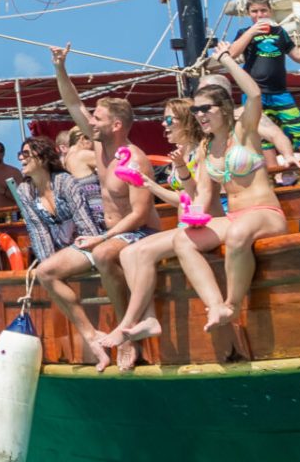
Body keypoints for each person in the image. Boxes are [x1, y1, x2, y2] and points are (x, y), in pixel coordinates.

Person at [30, 45, 159, 366]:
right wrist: (60, 67)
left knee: (102, 253)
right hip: (105, 234)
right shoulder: (100, 144)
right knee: (46, 272)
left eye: (98, 117)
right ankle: (91, 336)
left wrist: (101, 238)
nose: (91, 121)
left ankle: (125, 332)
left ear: (116, 125)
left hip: (138, 233)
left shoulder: (136, 159)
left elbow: (141, 214)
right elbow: (72, 102)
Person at [96, 97, 217, 371]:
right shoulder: (179, 153)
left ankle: (128, 323)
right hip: (185, 225)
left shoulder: (200, 151)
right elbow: (181, 199)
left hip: (203, 225)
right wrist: (149, 184)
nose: (163, 124)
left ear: (186, 121)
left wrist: (161, 181)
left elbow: (197, 198)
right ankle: (148, 319)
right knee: (128, 253)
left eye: (170, 119)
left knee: (137, 251)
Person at [170, 50, 284, 330]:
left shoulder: (244, 130)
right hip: (235, 217)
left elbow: (254, 95)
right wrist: (194, 213)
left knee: (237, 234)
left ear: (222, 108)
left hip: (265, 213)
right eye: (195, 111)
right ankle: (215, 305)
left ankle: (233, 305)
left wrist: (227, 60)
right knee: (183, 241)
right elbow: (205, 192)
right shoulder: (207, 146)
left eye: (204, 109)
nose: (199, 116)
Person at [221, 0, 300, 170]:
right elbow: (233, 53)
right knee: (263, 136)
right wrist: (252, 31)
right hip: (255, 94)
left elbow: (299, 56)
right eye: (255, 12)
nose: (259, 15)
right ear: (248, 14)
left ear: (270, 11)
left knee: (299, 129)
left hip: (280, 92)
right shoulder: (244, 33)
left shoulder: (280, 33)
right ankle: (274, 172)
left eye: (263, 11)